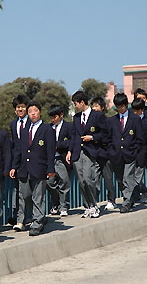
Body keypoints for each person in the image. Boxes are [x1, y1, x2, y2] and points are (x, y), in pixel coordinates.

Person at [9, 101, 56, 235]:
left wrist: (50, 169)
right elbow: (19, 149)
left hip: (40, 168)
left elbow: (50, 151)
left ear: (40, 112)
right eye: (30, 112)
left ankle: (37, 222)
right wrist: (14, 166)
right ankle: (40, 216)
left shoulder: (48, 129)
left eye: (35, 111)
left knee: (38, 196)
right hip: (24, 168)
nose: (32, 113)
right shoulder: (24, 131)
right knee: (26, 194)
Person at [67, 90, 108, 218]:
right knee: (81, 181)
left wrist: (92, 137)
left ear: (82, 102)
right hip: (77, 153)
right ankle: (88, 206)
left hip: (91, 151)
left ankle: (94, 205)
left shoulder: (97, 116)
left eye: (76, 103)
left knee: (88, 179)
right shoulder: (76, 118)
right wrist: (69, 151)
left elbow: (105, 134)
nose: (75, 106)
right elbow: (74, 136)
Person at [107, 93, 144, 213]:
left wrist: (136, 151)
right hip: (116, 155)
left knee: (128, 177)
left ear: (126, 105)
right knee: (120, 179)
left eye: (122, 106)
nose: (120, 109)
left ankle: (127, 201)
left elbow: (140, 138)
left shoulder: (135, 119)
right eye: (118, 107)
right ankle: (128, 197)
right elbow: (108, 138)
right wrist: (111, 150)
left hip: (130, 154)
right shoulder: (112, 120)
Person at [47, 105, 74, 216]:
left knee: (64, 181)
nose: (53, 120)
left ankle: (63, 206)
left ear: (61, 115)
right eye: (51, 118)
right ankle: (56, 203)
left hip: (61, 158)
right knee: (49, 182)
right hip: (50, 159)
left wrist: (60, 145)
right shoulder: (48, 128)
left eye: (55, 117)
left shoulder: (68, 126)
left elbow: (73, 141)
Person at [90, 96, 116, 209]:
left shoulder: (107, 121)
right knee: (94, 179)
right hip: (95, 155)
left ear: (103, 107)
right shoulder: (90, 122)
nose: (94, 109)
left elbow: (109, 137)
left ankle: (111, 200)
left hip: (106, 154)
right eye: (93, 106)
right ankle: (93, 202)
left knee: (108, 179)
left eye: (97, 106)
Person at [7, 94, 30, 225]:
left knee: (30, 193)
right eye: (17, 107)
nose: (20, 109)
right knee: (20, 192)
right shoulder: (13, 124)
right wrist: (13, 166)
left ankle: (34, 217)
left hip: (32, 162)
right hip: (18, 163)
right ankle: (20, 220)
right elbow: (15, 146)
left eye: (22, 107)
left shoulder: (32, 122)